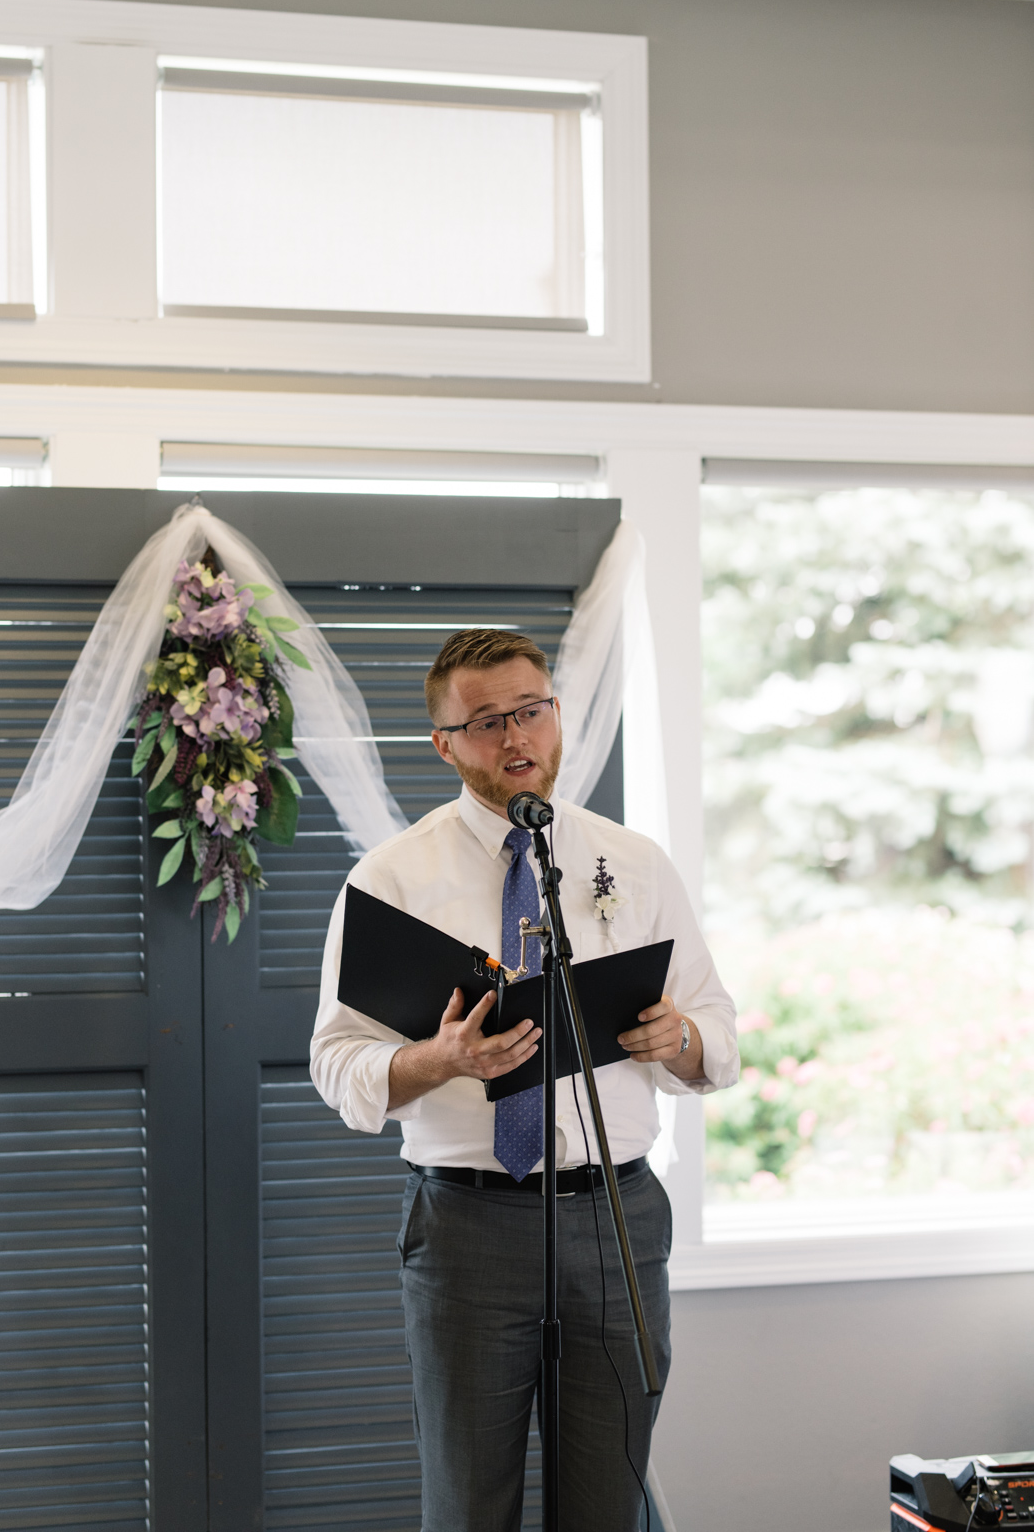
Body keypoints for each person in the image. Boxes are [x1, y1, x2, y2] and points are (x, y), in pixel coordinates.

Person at [311, 628, 738, 1532]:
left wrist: (679, 1037)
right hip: (469, 1228)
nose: (518, 740)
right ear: (444, 743)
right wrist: (442, 1059)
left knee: (605, 1505)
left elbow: (717, 1035)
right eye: (488, 722)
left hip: (616, 1219)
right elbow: (336, 1061)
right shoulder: (388, 879)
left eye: (533, 711)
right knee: (468, 1507)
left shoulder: (633, 859)